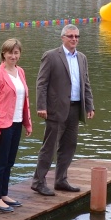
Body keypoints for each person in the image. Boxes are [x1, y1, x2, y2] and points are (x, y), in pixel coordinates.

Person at [31, 25, 94, 196]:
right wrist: (41, 106)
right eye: (71, 36)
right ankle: (38, 182)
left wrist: (89, 105)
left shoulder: (82, 58)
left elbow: (85, 83)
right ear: (63, 38)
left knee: (69, 146)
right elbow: (41, 83)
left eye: (77, 36)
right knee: (49, 147)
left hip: (75, 108)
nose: (74, 39)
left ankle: (61, 180)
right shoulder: (51, 56)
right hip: (55, 109)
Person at [0, 38, 32, 212]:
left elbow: (24, 99)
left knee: (9, 161)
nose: (13, 56)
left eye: (16, 52)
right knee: (0, 162)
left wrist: (27, 123)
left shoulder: (20, 72)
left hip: (17, 122)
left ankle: (4, 194)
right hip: (2, 125)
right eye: (10, 52)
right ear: (3, 53)